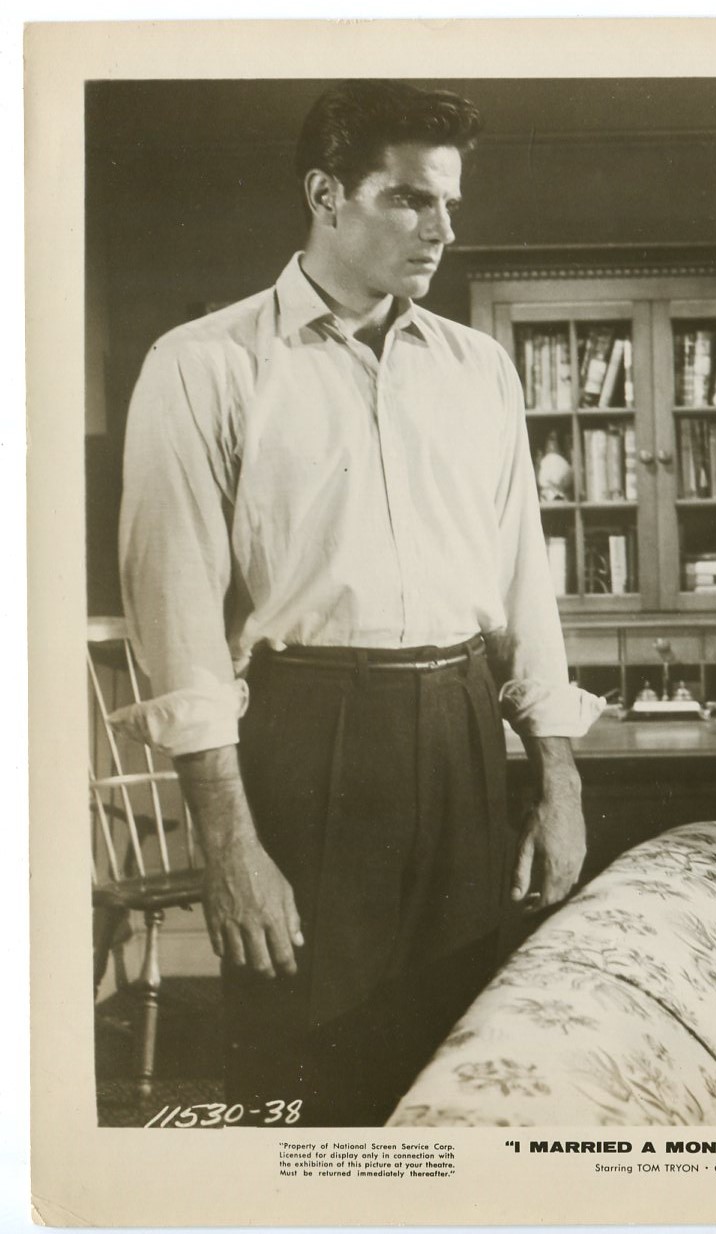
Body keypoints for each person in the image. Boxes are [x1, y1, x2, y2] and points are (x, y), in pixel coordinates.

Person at [115, 80, 603, 1126]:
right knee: (299, 1086)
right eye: (410, 199)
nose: (442, 230)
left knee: (459, 1077)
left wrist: (556, 781)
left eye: (450, 203)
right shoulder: (203, 366)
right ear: (325, 194)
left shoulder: (479, 371)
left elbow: (524, 585)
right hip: (306, 742)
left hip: (462, 734)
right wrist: (228, 843)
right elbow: (178, 620)